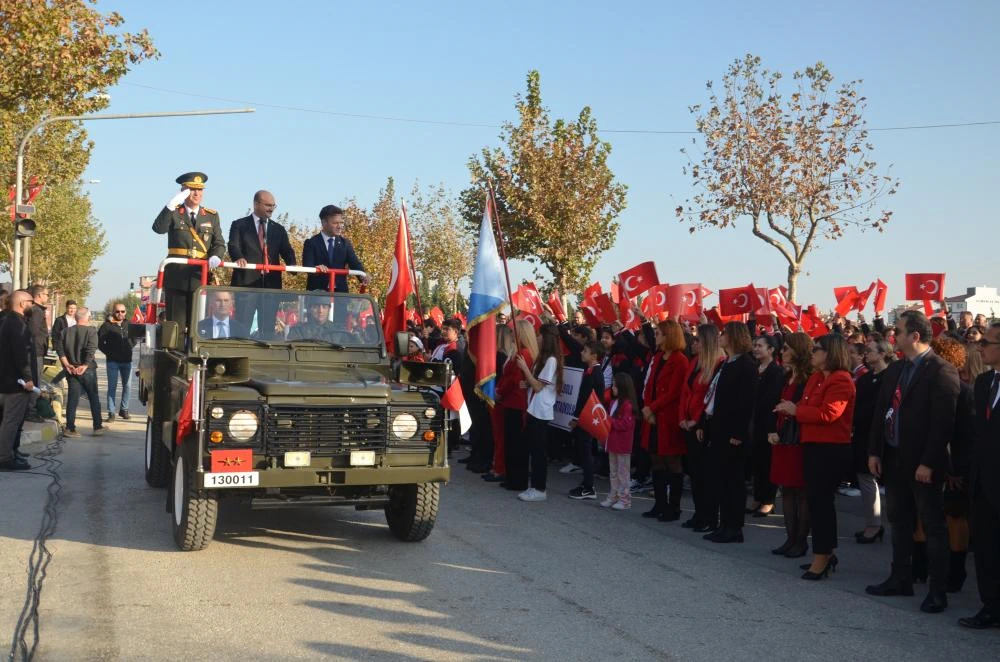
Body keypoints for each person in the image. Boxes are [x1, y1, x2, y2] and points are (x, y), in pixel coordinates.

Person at [866, 311, 960, 614]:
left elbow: (943, 423)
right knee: (899, 521)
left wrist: (930, 462)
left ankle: (936, 591)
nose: (894, 336)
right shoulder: (896, 370)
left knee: (933, 526)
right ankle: (900, 578)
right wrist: (874, 451)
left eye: (899, 331)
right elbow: (881, 413)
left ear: (915, 336)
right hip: (894, 459)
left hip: (923, 464)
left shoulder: (941, 370)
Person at [775, 334, 856, 580]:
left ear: (831, 353)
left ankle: (823, 554)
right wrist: (793, 409)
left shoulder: (841, 380)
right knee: (816, 501)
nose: (813, 353)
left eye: (818, 350)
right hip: (813, 445)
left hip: (830, 449)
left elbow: (828, 414)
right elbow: (808, 405)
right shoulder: (816, 378)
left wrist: (795, 410)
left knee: (821, 503)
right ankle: (823, 552)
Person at [959, 322, 1000, 628]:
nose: (980, 346)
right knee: (985, 547)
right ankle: (990, 606)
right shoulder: (984, 382)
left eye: (987, 342)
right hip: (983, 480)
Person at [701, 321, 756, 543]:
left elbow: (746, 403)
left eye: (724, 334)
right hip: (719, 428)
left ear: (733, 337)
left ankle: (735, 527)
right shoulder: (726, 363)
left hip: (733, 432)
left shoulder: (746, 365)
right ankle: (724, 524)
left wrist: (738, 433)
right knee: (722, 478)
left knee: (734, 480)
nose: (720, 337)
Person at [152, 172, 226, 333]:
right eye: (192, 189)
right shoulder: (174, 212)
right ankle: (177, 357)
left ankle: (197, 357)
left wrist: (216, 255)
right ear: (183, 191)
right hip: (177, 276)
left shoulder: (212, 216)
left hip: (199, 276)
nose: (197, 193)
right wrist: (170, 205)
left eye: (200, 190)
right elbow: (158, 228)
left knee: (198, 325)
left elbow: (219, 242)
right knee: (176, 326)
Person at [929, 337, 975, 594]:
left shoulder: (964, 391)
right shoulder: (937, 387)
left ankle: (957, 571)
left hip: (957, 467)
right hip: (939, 463)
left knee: (955, 517)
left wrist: (955, 469)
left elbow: (966, 436)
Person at [769, 332, 815, 557]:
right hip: (783, 438)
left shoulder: (808, 379)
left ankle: (800, 541)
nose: (782, 352)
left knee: (801, 492)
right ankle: (790, 539)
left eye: (786, 348)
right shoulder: (787, 376)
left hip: (799, 440)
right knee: (787, 489)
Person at [639, 320, 690, 522]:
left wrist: (652, 408)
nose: (656, 336)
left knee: (672, 461)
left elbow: (674, 392)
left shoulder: (680, 360)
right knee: (656, 460)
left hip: (667, 417)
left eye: (659, 333)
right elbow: (650, 385)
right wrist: (648, 408)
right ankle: (659, 503)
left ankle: (674, 507)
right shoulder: (659, 356)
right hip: (652, 416)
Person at [227, 190, 297, 336]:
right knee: (242, 328)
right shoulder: (239, 225)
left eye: (273, 206)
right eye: (267, 205)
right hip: (246, 286)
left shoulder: (278, 229)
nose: (271, 209)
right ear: (256, 204)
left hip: (271, 288)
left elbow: (287, 251)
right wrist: (238, 257)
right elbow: (233, 245)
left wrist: (292, 265)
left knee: (268, 330)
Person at [679, 324, 725, 531]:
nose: (693, 343)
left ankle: (709, 517)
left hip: (702, 426)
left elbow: (710, 399)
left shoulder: (718, 363)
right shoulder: (695, 362)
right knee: (695, 473)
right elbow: (685, 392)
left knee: (706, 475)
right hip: (688, 423)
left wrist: (696, 421)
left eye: (697, 340)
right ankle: (699, 514)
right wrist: (682, 418)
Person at [852, 338, 895, 544]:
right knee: (865, 478)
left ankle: (880, 525)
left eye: (870, 351)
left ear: (883, 353)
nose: (866, 354)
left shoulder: (891, 377)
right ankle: (872, 524)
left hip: (882, 434)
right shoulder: (866, 378)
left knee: (878, 480)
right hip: (863, 433)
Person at [514, 324, 563, 502]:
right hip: (533, 407)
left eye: (540, 336)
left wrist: (525, 369)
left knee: (539, 452)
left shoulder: (551, 360)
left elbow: (538, 385)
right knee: (533, 450)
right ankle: (533, 485)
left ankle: (539, 488)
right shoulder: (542, 358)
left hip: (541, 411)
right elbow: (535, 384)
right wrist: (526, 383)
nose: (538, 338)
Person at [0, 291, 38, 471]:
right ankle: (5, 458)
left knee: (9, 422)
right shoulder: (16, 324)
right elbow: (21, 355)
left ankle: (10, 453)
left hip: (8, 380)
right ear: (22, 304)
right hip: (15, 384)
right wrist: (28, 378)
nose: (34, 305)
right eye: (31, 301)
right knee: (10, 422)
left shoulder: (11, 321)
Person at [748, 334, 785, 517]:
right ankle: (757, 497)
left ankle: (768, 500)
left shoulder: (776, 372)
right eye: (754, 345)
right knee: (756, 462)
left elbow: (771, 400)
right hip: (754, 422)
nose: (755, 348)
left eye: (760, 345)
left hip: (768, 423)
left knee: (767, 462)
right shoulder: (755, 368)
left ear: (771, 350)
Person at [497, 320, 537, 490]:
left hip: (516, 402)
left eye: (514, 332)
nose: (512, 335)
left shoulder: (523, 354)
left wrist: (500, 391)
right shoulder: (522, 352)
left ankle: (516, 480)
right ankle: (512, 477)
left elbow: (514, 379)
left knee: (516, 443)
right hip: (511, 400)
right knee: (512, 442)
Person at [56, 307, 106, 438]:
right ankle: (97, 426)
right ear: (88, 317)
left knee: (73, 398)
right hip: (87, 369)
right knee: (93, 397)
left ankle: (70, 428)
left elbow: (60, 350)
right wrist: (84, 365)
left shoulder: (65, 331)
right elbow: (91, 349)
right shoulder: (91, 331)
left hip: (71, 369)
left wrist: (67, 364)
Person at [568, 341, 605, 501]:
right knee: (582, 450)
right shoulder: (589, 371)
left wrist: (577, 418)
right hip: (584, 417)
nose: (582, 353)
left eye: (585, 351)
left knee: (586, 451)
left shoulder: (595, 373)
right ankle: (585, 483)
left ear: (594, 355)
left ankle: (589, 487)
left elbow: (588, 399)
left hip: (588, 418)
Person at [302, 205, 366, 293]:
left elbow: (355, 263)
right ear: (324, 222)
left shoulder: (345, 243)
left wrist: (363, 275)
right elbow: (307, 266)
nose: (339, 226)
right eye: (335, 223)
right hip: (317, 296)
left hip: (340, 295)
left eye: (341, 223)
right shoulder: (311, 243)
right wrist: (316, 268)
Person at [98, 302, 138, 422]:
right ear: (113, 312)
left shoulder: (129, 324)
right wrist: (110, 353)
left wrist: (128, 347)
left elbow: (134, 340)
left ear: (125, 312)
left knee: (127, 386)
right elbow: (100, 343)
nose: (120, 314)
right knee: (112, 387)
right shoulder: (107, 326)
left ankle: (124, 409)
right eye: (118, 311)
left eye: (123, 311)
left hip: (127, 361)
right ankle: (111, 412)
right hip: (113, 362)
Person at [603, 372, 638, 510]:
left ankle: (625, 500)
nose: (612, 388)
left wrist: (609, 421)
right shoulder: (613, 402)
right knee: (613, 472)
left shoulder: (627, 405)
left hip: (622, 444)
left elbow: (625, 424)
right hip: (612, 442)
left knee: (623, 473)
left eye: (615, 386)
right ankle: (613, 496)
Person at [25, 284, 50, 422]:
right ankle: (31, 411)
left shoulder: (37, 310)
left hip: (37, 350)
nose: (48, 297)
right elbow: (33, 332)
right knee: (35, 381)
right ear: (39, 295)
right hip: (35, 352)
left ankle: (31, 409)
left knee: (36, 380)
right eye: (46, 294)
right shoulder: (37, 311)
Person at [49, 299, 77, 386]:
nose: (72, 310)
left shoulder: (78, 320)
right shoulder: (60, 320)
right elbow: (55, 335)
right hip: (63, 349)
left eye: (74, 308)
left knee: (72, 368)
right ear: (66, 308)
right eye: (70, 308)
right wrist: (56, 347)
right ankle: (53, 382)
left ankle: (77, 389)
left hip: (75, 349)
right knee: (67, 367)